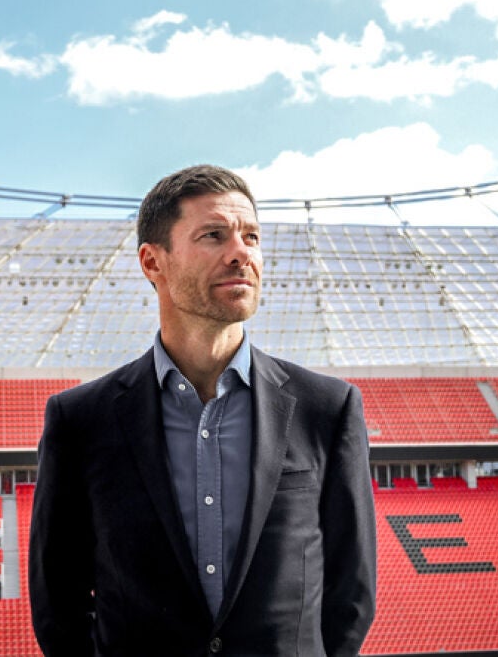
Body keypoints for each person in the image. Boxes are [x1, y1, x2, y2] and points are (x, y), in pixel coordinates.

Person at [29, 164, 377, 657]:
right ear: (153, 262)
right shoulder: (80, 420)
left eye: (251, 236)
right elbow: (57, 604)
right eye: (214, 235)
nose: (241, 253)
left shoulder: (327, 408)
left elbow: (351, 595)